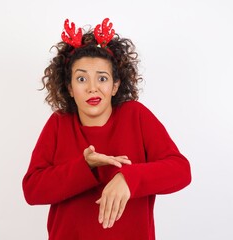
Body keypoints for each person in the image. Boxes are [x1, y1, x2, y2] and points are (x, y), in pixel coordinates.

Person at [22, 18, 191, 240]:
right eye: (82, 79)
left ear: (115, 85)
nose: (93, 88)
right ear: (70, 88)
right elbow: (33, 190)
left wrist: (129, 178)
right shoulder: (59, 123)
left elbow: (180, 170)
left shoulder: (136, 115)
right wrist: (86, 166)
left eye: (102, 78)